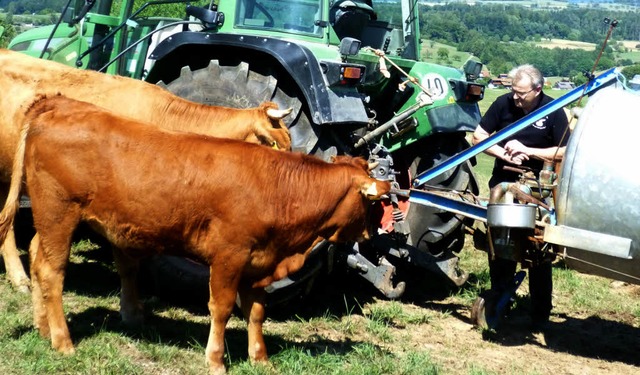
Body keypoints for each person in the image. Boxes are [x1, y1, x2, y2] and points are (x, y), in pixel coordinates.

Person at [472, 64, 570, 329]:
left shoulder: (552, 111)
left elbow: (564, 151)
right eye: (514, 91)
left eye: (522, 93)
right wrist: (501, 152)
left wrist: (529, 150)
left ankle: (540, 312)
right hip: (502, 183)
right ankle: (500, 296)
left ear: (538, 89)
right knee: (499, 241)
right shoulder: (503, 104)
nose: (516, 97)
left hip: (538, 188)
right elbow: (478, 136)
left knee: (538, 247)